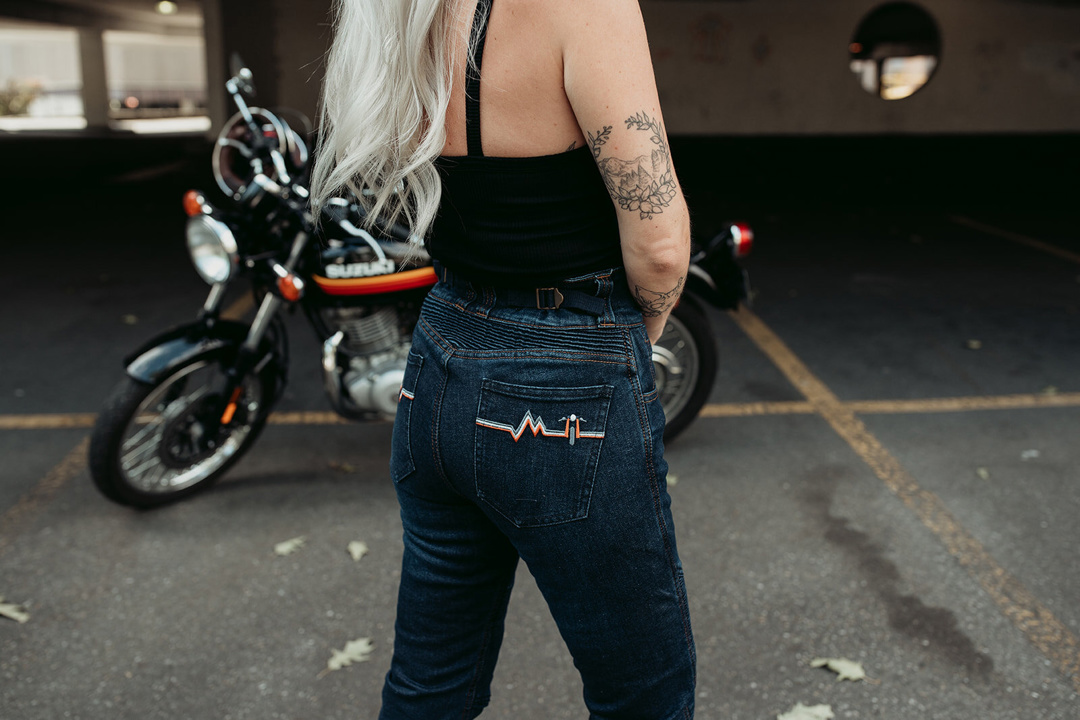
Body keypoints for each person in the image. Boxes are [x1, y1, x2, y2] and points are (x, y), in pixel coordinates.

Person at [311, 1, 694, 717]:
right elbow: (662, 245)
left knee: (430, 686)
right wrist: (622, 344)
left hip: (439, 357)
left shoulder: (401, 11)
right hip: (569, 366)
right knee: (646, 696)